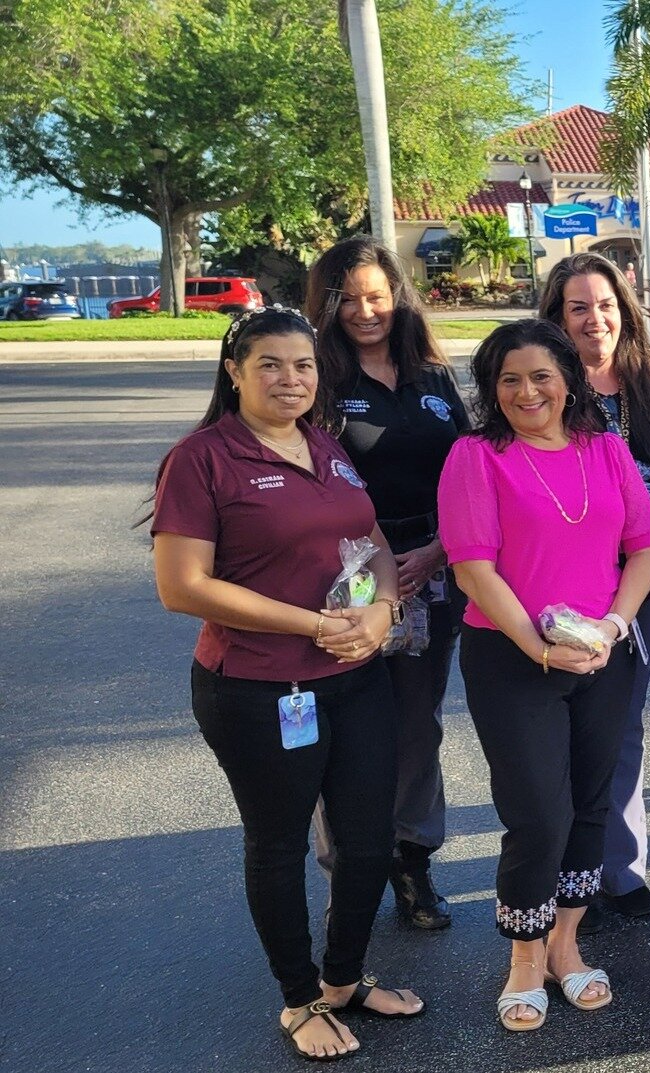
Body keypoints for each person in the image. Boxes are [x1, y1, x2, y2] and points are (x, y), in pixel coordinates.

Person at [151, 307, 425, 1061]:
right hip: (257, 688)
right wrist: (310, 624)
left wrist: (382, 609)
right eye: (269, 364)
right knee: (278, 846)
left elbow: (366, 538)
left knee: (369, 844)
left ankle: (342, 980)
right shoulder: (201, 458)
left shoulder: (326, 447)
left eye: (302, 365)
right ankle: (299, 998)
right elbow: (182, 585)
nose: (289, 378)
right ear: (234, 371)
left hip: (355, 675)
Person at [438, 319, 650, 1030]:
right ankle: (524, 956)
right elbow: (474, 569)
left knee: (590, 803)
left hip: (602, 652)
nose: (526, 391)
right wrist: (540, 648)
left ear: (569, 380)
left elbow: (645, 549)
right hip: (513, 659)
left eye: (540, 376)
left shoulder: (607, 450)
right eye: (509, 379)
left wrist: (614, 627)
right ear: (491, 389)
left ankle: (567, 943)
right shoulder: (476, 456)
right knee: (539, 812)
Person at [304, 236, 467, 931]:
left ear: (397, 295)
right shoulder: (320, 380)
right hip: (349, 573)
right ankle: (350, 862)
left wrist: (437, 551)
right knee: (348, 717)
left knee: (414, 723)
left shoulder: (431, 376)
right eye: (351, 298)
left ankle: (411, 856)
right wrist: (370, 569)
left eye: (378, 295)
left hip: (431, 566)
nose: (367, 311)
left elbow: (470, 474)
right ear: (329, 304)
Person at [539, 253, 650, 919]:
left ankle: (618, 867)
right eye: (578, 307)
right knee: (559, 728)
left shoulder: (648, 385)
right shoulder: (538, 382)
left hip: (639, 579)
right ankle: (558, 870)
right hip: (556, 582)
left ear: (624, 311)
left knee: (622, 722)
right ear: (556, 317)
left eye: (604, 305)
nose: (594, 319)